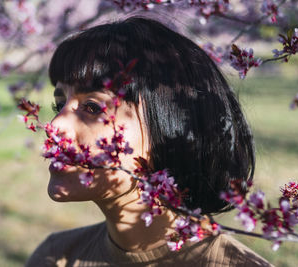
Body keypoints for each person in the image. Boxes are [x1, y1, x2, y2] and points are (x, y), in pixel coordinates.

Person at [26, 16, 273, 267]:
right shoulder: (55, 257)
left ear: (170, 126)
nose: (55, 126)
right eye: (59, 105)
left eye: (92, 107)